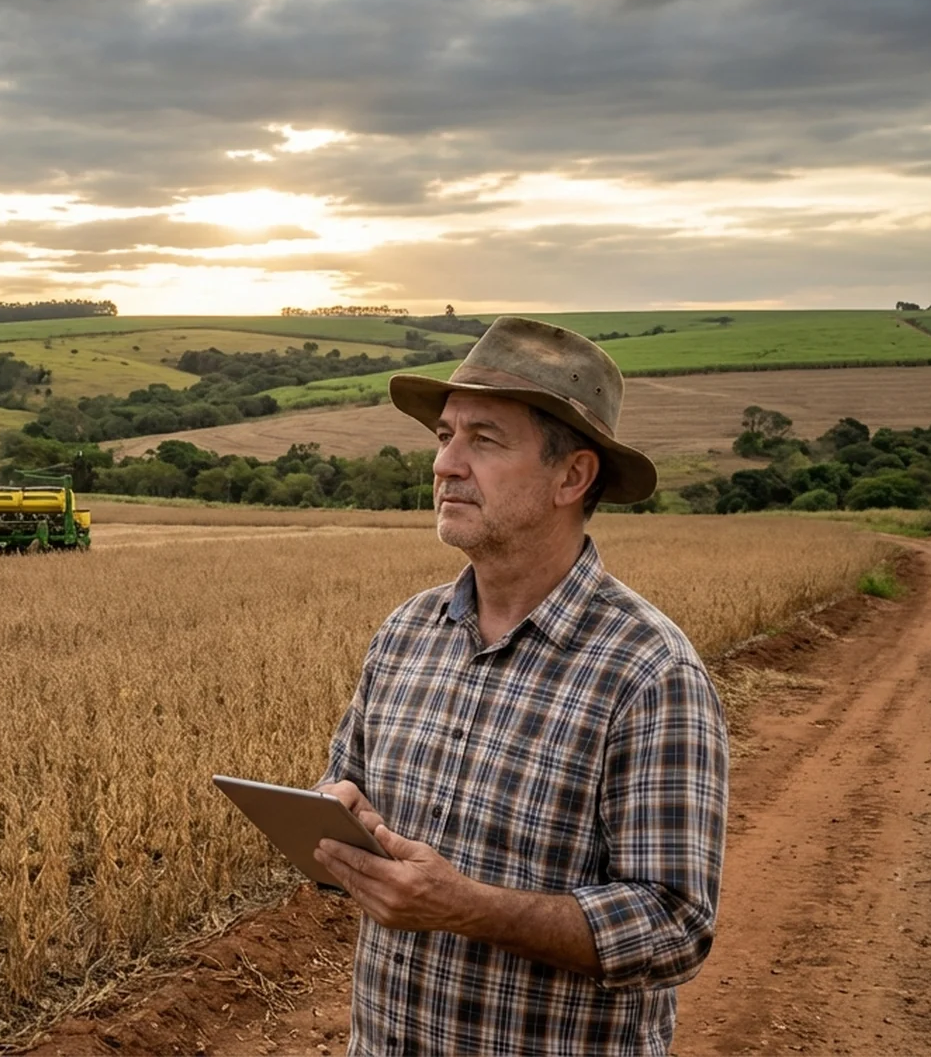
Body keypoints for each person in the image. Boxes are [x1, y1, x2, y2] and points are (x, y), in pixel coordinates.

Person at [311, 316, 728, 1055]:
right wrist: (335, 820)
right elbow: (343, 788)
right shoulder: (407, 633)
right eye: (445, 436)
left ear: (573, 476)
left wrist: (472, 909)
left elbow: (674, 928)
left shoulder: (648, 672)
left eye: (485, 440)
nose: (446, 464)